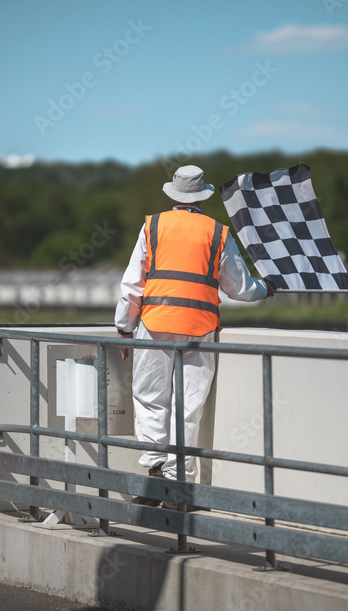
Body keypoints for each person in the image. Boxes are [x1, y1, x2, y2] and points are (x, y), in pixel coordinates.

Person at [115, 165, 274, 506]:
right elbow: (240, 288)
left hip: (155, 325)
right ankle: (179, 487)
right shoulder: (217, 232)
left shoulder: (152, 226)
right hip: (200, 330)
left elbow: (132, 286)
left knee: (150, 399)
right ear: (202, 197)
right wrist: (267, 288)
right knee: (188, 407)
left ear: (172, 195)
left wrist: (124, 327)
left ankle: (155, 476)